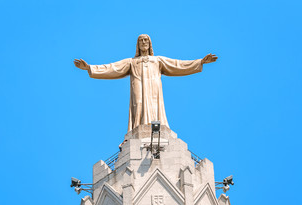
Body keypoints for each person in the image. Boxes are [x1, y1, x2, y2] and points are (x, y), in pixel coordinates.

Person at [74, 34, 217, 132]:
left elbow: (178, 65)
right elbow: (112, 67)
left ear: (149, 44)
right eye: (141, 40)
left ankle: (158, 128)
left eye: (146, 40)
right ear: (137, 44)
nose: (143, 42)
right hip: (138, 88)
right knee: (139, 105)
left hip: (154, 89)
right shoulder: (132, 62)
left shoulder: (157, 60)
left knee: (155, 107)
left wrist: (200, 62)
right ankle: (137, 128)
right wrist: (90, 68)